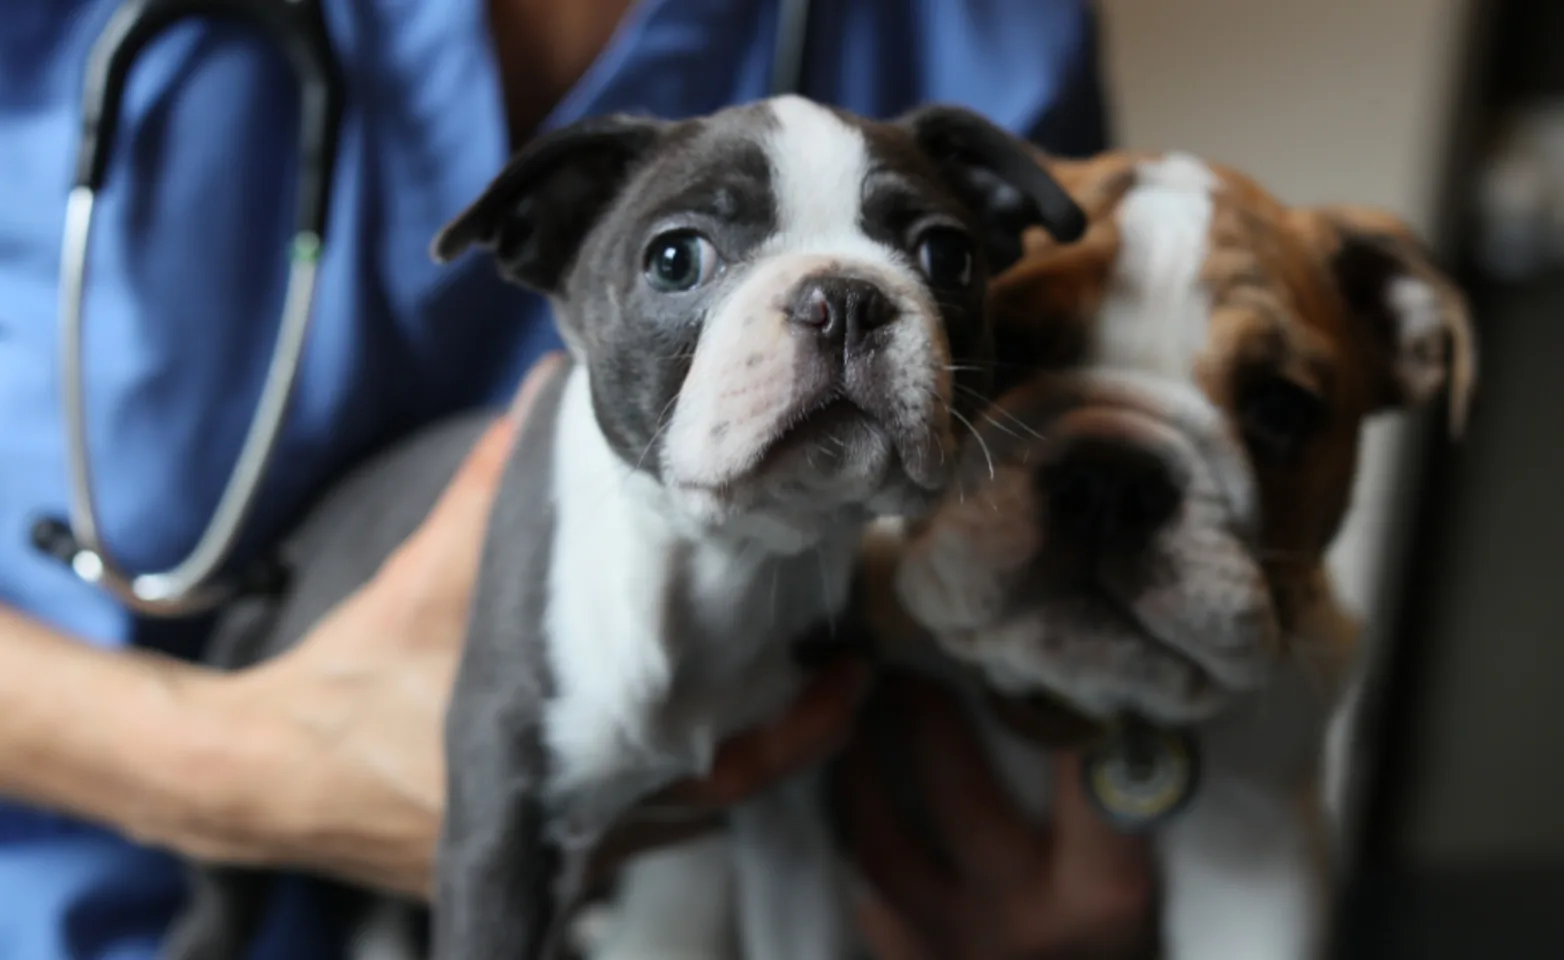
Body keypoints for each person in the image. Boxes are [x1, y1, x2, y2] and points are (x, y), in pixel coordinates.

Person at [0, 0, 1151, 957]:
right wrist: (226, 770)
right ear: (545, 243)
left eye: (936, 254)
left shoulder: (990, 30)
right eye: (680, 259)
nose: (839, 308)